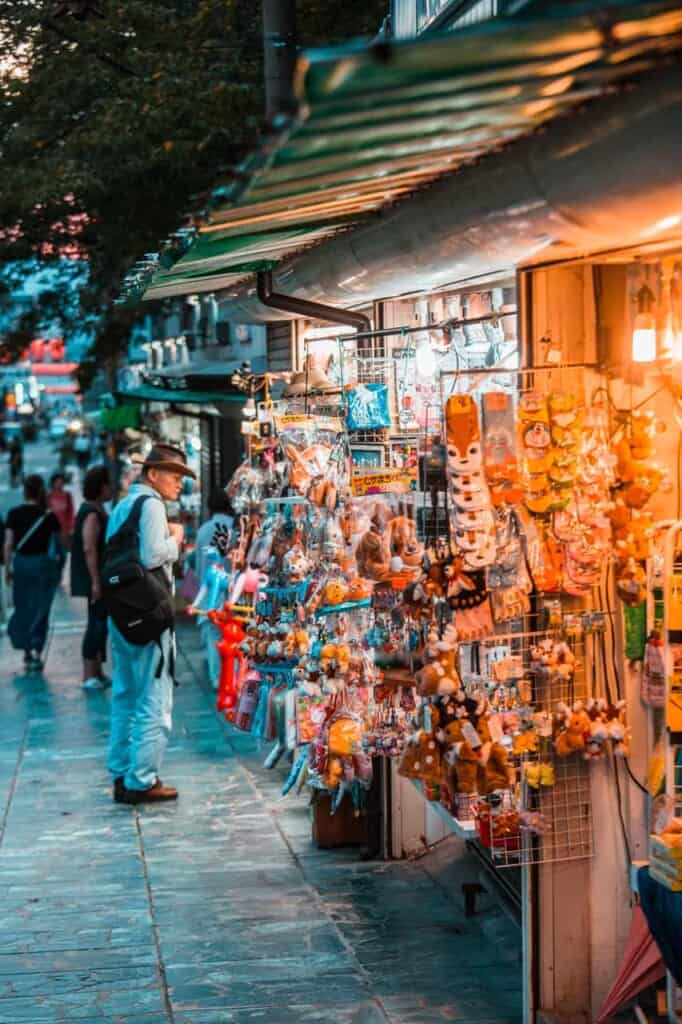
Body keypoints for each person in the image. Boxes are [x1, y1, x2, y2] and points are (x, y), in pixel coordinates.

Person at [106, 442, 195, 805]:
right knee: (154, 699)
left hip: (123, 613)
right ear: (153, 474)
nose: (179, 483)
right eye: (174, 475)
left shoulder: (124, 504)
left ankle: (122, 772)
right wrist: (176, 538)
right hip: (148, 616)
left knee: (125, 696)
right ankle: (142, 780)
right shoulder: (152, 505)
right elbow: (153, 555)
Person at [3, 474, 61, 671]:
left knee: (23, 607)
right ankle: (37, 649)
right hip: (42, 565)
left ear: (25, 492)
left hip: (21, 564)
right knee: (41, 607)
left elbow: (9, 544)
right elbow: (58, 545)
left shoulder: (13, 514)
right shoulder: (49, 515)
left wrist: (8, 568)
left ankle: (26, 649)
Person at [71, 465, 113, 691]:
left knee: (99, 623)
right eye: (109, 485)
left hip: (98, 576)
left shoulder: (95, 509)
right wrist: (96, 580)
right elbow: (89, 547)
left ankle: (97, 670)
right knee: (96, 624)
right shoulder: (91, 513)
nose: (112, 489)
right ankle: (88, 673)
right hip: (94, 578)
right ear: (101, 487)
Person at [194, 487, 234, 583]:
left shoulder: (202, 530)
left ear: (209, 507)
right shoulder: (235, 529)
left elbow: (198, 568)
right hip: (228, 593)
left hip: (205, 593)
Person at [47, 472, 75, 550]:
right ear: (53, 483)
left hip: (64, 529)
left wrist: (71, 527)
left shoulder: (67, 495)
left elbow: (71, 512)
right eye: (57, 482)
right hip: (51, 530)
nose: (59, 484)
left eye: (61, 482)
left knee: (63, 553)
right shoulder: (48, 496)